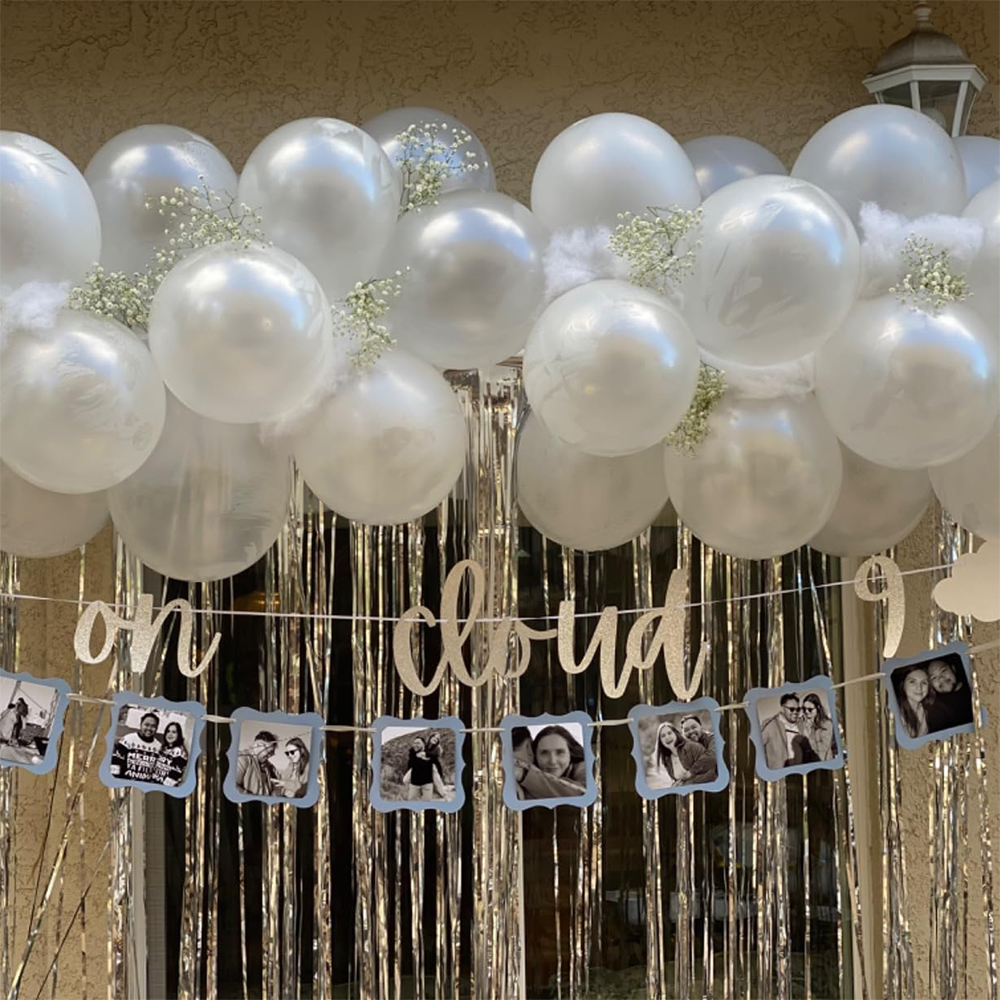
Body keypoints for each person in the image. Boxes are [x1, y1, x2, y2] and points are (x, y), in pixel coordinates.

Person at [510, 726, 585, 800]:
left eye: (560, 752)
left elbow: (580, 793)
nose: (552, 761)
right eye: (544, 753)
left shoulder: (584, 769)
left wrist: (523, 775)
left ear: (570, 753)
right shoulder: (529, 775)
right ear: (535, 754)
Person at [111, 711, 163, 783]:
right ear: (141, 724)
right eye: (146, 725)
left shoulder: (159, 747)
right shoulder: (127, 740)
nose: (149, 728)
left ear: (157, 728)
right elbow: (115, 765)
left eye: (153, 726)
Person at [925, 658, 974, 733]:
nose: (941, 678)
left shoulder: (975, 687)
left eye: (943, 671)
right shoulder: (935, 708)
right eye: (934, 678)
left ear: (953, 669)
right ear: (931, 685)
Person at [759, 694, 802, 770]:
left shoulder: (802, 726)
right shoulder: (770, 725)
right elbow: (757, 749)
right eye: (792, 709)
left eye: (798, 709)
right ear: (783, 708)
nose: (795, 712)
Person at [892, 665, 933, 739]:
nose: (919, 687)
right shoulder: (896, 714)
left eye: (924, 682)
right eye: (912, 682)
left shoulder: (926, 709)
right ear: (903, 685)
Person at [235, 729, 279, 796]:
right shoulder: (243, 759)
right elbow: (233, 786)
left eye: (272, 753)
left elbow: (276, 785)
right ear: (257, 745)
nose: (270, 756)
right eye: (269, 752)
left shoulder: (269, 766)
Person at [797, 693, 837, 761]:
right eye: (804, 709)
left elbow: (822, 750)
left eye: (810, 709)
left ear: (817, 708)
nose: (806, 712)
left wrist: (808, 732)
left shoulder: (827, 724)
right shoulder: (801, 723)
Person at [154, 721, 189, 786]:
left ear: (178, 735)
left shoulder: (179, 752)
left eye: (174, 732)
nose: (170, 734)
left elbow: (174, 777)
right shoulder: (164, 748)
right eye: (168, 731)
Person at [424, 731, 453, 800]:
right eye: (434, 737)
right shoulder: (424, 746)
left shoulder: (437, 749)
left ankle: (443, 794)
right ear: (431, 737)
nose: (435, 739)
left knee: (433, 770)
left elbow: (436, 761)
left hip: (430, 766)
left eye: (437, 739)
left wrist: (440, 773)